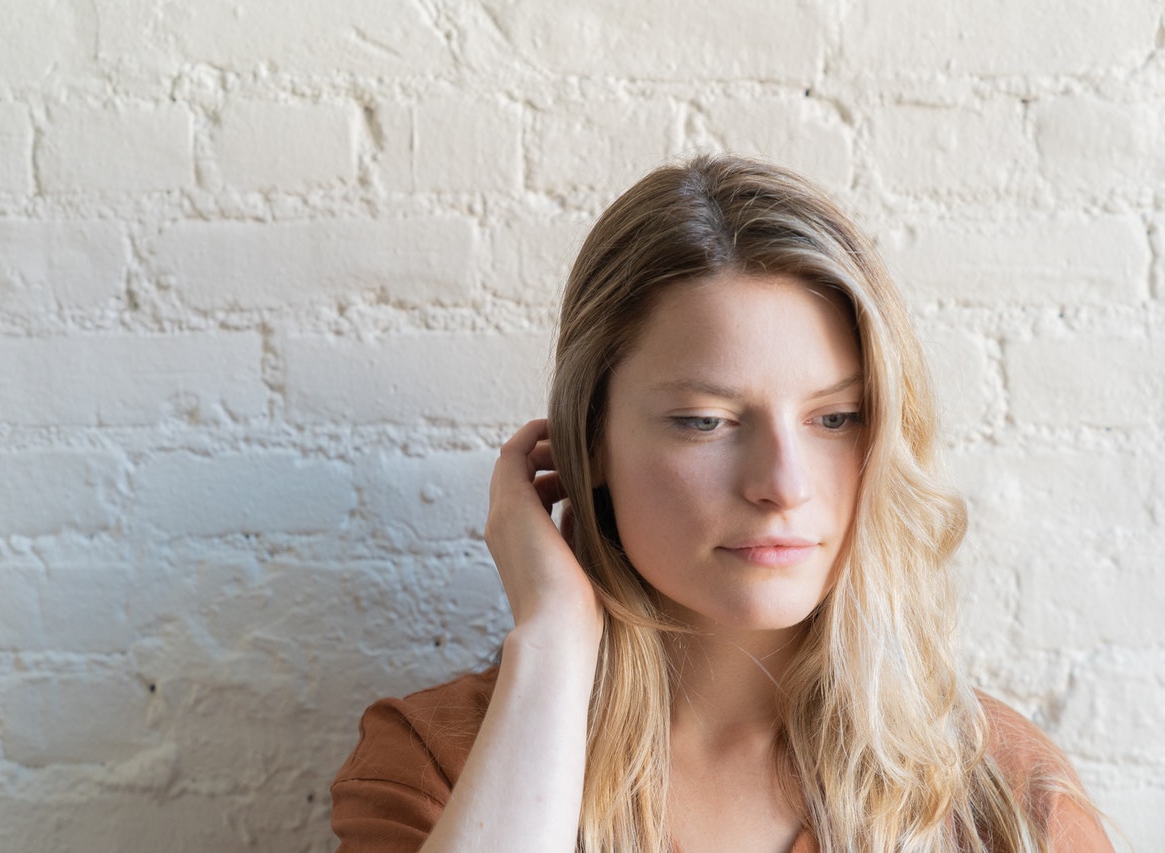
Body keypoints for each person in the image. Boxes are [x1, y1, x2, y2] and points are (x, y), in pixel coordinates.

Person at [330, 154, 1113, 852]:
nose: (784, 482)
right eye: (706, 421)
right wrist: (555, 645)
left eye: (834, 418)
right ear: (588, 440)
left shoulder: (1003, 798)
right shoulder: (442, 764)